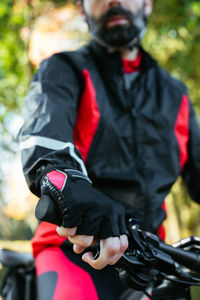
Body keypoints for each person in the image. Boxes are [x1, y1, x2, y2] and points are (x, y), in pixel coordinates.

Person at [19, 0, 200, 299]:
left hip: (154, 256)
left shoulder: (176, 94)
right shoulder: (62, 70)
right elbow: (45, 142)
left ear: (147, 4)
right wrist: (65, 181)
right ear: (82, 8)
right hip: (73, 247)